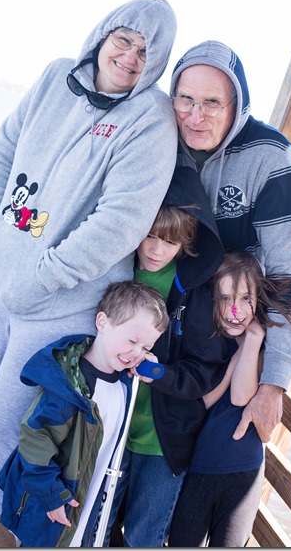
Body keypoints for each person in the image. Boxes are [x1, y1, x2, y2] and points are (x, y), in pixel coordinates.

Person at [0, 0, 178, 548]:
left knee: (9, 433)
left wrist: (44, 274)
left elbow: (120, 221)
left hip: (63, 302)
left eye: (146, 52)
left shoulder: (151, 119)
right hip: (0, 284)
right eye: (124, 40)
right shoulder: (54, 78)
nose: (130, 56)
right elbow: (2, 151)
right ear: (103, 35)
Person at [169, 41, 291, 443]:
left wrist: (274, 383)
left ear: (236, 105)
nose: (196, 116)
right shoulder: (159, 138)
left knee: (226, 453)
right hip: (163, 329)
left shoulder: (269, 156)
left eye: (212, 103)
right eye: (186, 99)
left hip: (233, 342)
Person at [96, 166, 231, 548]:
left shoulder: (194, 291)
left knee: (144, 536)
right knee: (96, 524)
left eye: (169, 242)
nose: (156, 250)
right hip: (109, 427)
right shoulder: (117, 270)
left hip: (162, 439)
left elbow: (205, 368)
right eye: (150, 236)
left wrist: (161, 374)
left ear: (185, 244)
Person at [0, 280, 169, 548]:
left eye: (146, 348)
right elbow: (36, 439)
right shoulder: (70, 387)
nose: (137, 352)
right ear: (102, 322)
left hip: (90, 510)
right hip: (56, 505)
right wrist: (52, 495)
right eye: (132, 341)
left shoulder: (124, 383)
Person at [169, 251, 291, 547]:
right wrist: (234, 360)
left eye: (245, 299)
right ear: (212, 300)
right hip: (200, 468)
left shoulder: (264, 344)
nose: (235, 310)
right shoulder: (206, 341)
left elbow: (241, 397)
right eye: (226, 298)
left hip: (243, 470)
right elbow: (203, 402)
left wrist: (252, 342)